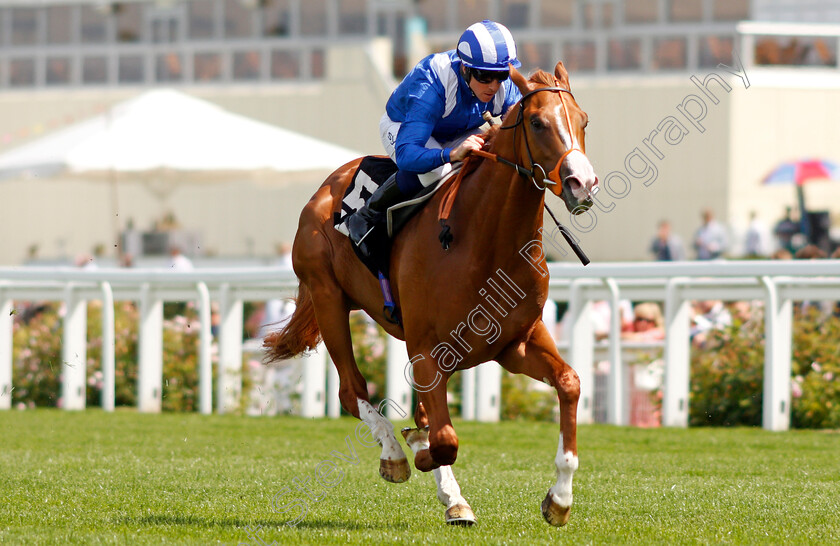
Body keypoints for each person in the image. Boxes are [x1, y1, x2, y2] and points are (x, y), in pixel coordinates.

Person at [347, 20, 524, 256]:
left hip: (455, 130)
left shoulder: (504, 83)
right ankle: (367, 215)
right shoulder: (432, 84)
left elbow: (517, 133)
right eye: (484, 76)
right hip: (404, 129)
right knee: (437, 170)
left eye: (501, 76)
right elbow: (408, 154)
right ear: (465, 69)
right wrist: (450, 154)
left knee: (492, 157)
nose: (493, 85)